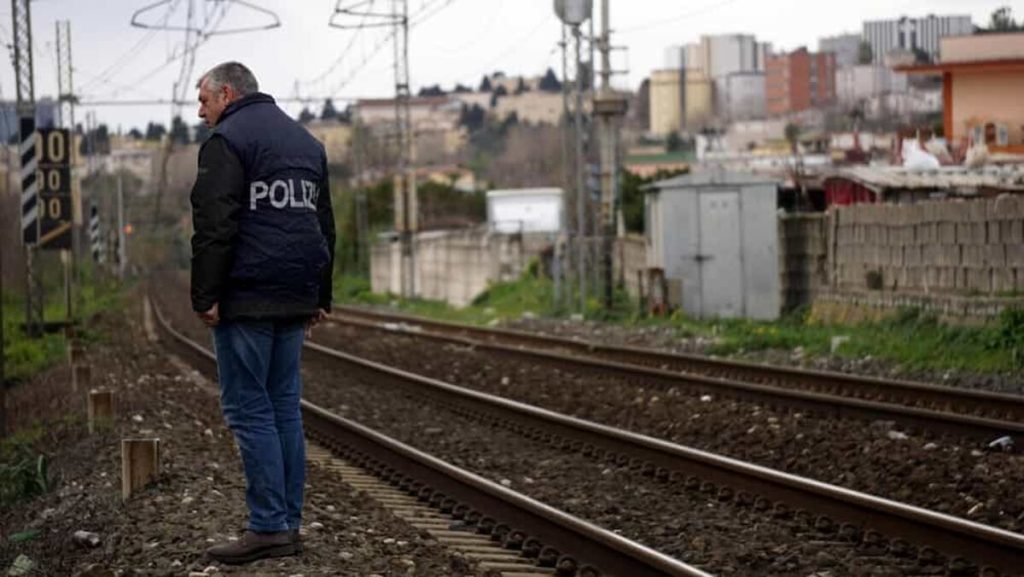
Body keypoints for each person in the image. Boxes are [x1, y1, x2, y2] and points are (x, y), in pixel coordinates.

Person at [189, 61, 335, 565]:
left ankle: (269, 527)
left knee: (250, 410)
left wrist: (205, 294)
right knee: (282, 408)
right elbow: (322, 223)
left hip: (248, 296)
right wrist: (321, 294)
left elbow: (215, 224)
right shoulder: (305, 143)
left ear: (227, 93)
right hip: (294, 292)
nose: (200, 110)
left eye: (203, 99)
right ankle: (287, 524)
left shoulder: (227, 141)